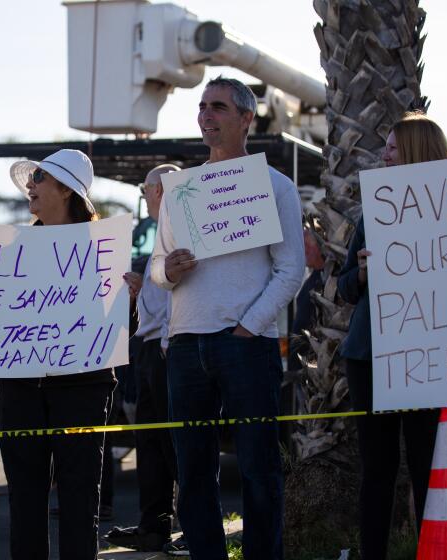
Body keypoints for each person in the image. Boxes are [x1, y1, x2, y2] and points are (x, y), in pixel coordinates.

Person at [151, 77, 305, 559]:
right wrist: (167, 271)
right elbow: (157, 267)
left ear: (245, 118)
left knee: (260, 469)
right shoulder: (179, 192)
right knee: (193, 473)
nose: (205, 115)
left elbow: (291, 269)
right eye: (201, 107)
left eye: (217, 107)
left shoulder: (276, 187)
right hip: (184, 346)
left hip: (246, 345)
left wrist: (248, 327)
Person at [336, 111, 447, 560]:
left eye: (391, 146)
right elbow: (344, 286)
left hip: (428, 356)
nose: (384, 154)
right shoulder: (375, 213)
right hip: (371, 357)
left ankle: (437, 551)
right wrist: (364, 272)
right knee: (378, 470)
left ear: (414, 150)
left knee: (431, 465)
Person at [0, 148, 117, 560]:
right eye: (31, 178)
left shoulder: (103, 248)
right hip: (20, 390)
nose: (30, 186)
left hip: (83, 389)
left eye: (39, 179)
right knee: (24, 499)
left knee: (79, 495)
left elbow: (120, 330)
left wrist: (129, 300)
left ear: (66, 190)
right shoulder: (6, 250)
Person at [104, 164, 180, 552]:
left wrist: (166, 339)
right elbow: (161, 293)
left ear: (159, 191)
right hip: (151, 347)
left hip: (168, 347)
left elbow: (183, 294)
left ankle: (190, 527)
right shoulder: (159, 234)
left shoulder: (179, 230)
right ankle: (154, 525)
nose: (147, 196)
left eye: (147, 189)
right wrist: (139, 290)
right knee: (150, 442)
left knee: (172, 443)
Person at [287, 223, 325, 372]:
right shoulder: (311, 280)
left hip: (315, 365)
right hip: (303, 366)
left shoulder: (327, 280)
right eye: (302, 247)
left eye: (309, 246)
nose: (304, 251)